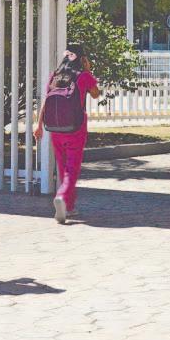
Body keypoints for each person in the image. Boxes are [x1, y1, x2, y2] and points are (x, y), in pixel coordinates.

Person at [34, 44, 100, 224]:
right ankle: (62, 197)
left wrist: (39, 125)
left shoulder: (55, 76)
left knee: (63, 167)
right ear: (82, 58)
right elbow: (96, 94)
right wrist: (88, 70)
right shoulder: (83, 76)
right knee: (72, 168)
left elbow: (46, 101)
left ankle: (68, 208)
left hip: (55, 129)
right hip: (76, 128)